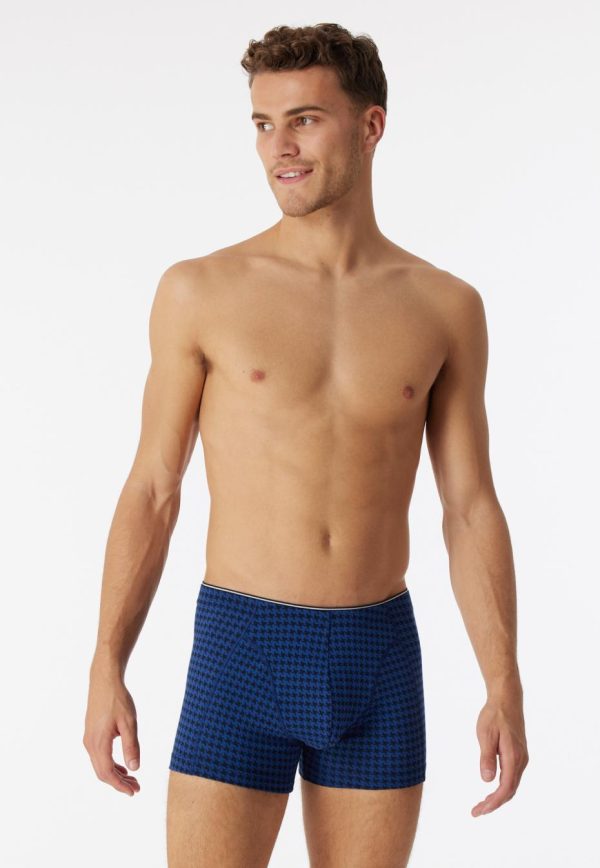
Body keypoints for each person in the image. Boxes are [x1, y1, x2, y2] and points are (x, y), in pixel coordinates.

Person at [83, 22, 528, 868]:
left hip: (378, 658)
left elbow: (470, 507)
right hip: (241, 651)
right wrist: (107, 662)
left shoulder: (444, 307)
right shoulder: (201, 291)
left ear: (371, 125)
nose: (279, 147)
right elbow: (153, 488)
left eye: (305, 121)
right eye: (263, 124)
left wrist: (503, 681)